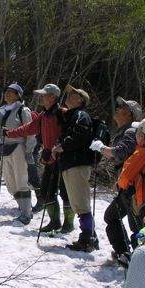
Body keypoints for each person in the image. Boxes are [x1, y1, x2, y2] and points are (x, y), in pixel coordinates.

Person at [5, 83, 72, 232]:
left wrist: (60, 147)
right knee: (46, 191)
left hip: (63, 159)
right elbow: (28, 128)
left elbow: (71, 136)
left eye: (43, 95)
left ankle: (69, 224)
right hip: (49, 158)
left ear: (52, 97)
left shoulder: (64, 113)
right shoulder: (43, 115)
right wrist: (9, 134)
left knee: (65, 192)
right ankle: (54, 222)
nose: (40, 97)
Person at [90, 97, 141, 263]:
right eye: (118, 108)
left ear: (131, 115)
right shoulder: (127, 131)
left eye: (123, 109)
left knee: (137, 227)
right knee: (112, 216)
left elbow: (121, 152)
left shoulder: (132, 131)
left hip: (134, 188)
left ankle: (139, 260)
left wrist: (102, 148)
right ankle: (125, 253)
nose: (118, 110)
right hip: (127, 186)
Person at [52, 85, 96, 251]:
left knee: (81, 204)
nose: (69, 95)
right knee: (79, 203)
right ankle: (89, 237)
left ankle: (87, 239)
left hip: (77, 164)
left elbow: (79, 136)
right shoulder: (73, 115)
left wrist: (61, 147)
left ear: (81, 100)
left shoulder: (80, 115)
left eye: (74, 94)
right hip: (72, 164)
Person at [115, 117, 145, 255]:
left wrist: (119, 184)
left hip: (144, 202)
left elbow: (124, 180)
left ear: (141, 136)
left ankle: (139, 264)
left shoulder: (141, 153)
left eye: (137, 133)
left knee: (139, 233)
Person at [0, 84, 36, 224]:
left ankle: (26, 213)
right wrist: (0, 140)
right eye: (6, 92)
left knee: (21, 180)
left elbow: (30, 131)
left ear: (18, 95)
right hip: (6, 148)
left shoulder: (23, 110)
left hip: (19, 148)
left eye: (11, 92)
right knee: (10, 182)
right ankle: (23, 207)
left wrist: (29, 151)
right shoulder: (4, 111)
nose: (7, 94)